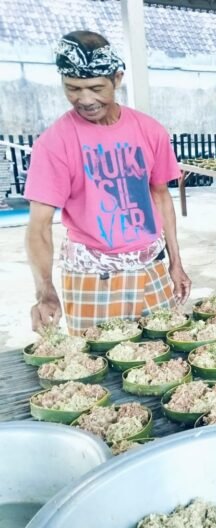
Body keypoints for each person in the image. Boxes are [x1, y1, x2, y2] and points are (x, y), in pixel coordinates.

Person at [24, 30, 191, 334]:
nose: (85, 100)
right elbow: (39, 226)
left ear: (118, 78)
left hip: (151, 269)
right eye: (73, 88)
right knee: (94, 368)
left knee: (163, 363)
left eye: (96, 88)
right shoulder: (54, 143)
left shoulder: (150, 131)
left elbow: (161, 197)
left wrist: (176, 262)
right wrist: (45, 292)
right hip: (91, 277)